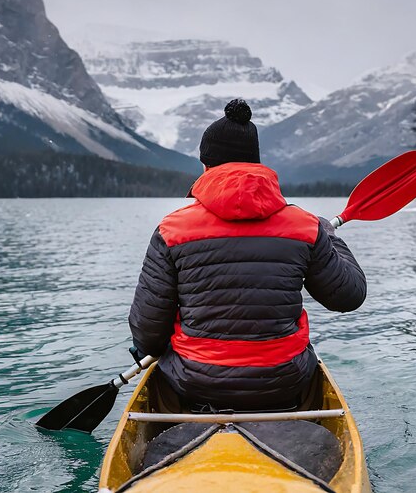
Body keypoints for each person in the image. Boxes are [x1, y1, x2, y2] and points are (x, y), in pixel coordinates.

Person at [128, 99, 367, 411]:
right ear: (256, 162)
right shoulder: (305, 226)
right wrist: (328, 235)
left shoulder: (171, 229)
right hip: (285, 379)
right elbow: (349, 296)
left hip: (194, 381)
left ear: (205, 166)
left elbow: (148, 331)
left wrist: (151, 350)